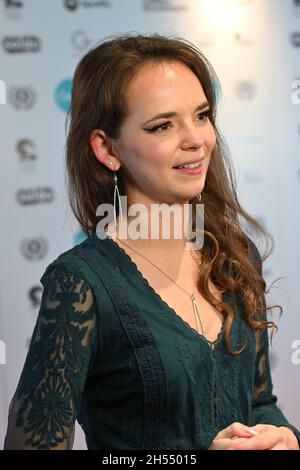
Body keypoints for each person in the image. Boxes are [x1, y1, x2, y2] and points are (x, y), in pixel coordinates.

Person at [4, 33, 300, 451]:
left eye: (201, 115)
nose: (196, 139)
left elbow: (258, 402)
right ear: (107, 148)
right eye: (163, 125)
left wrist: (283, 436)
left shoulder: (235, 257)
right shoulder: (81, 285)